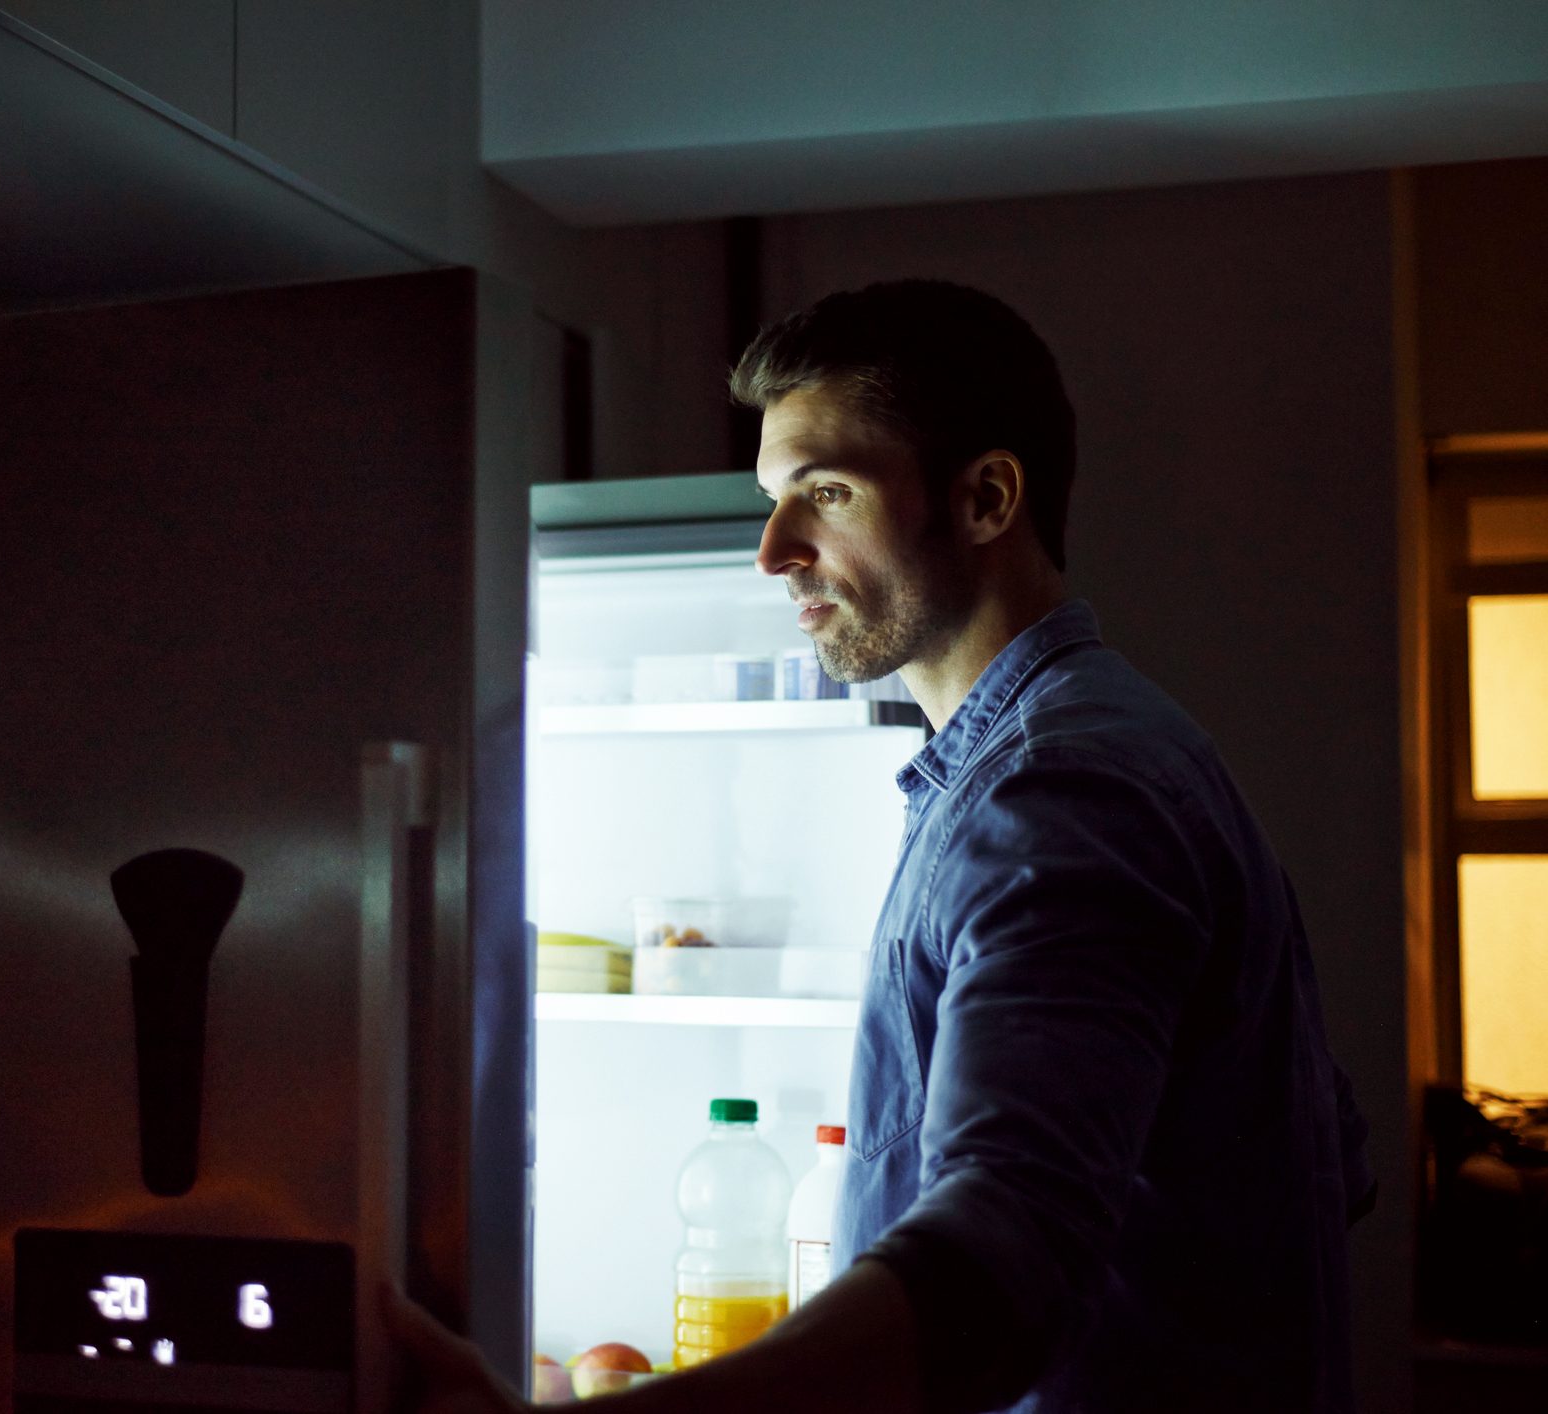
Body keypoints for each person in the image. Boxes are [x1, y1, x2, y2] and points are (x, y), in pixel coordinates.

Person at [386, 279, 1376, 1413]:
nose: (770, 550)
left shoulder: (1063, 789)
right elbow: (1321, 1161)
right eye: (772, 499)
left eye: (825, 492)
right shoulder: (1067, 752)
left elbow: (1000, 1266)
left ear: (986, 498)